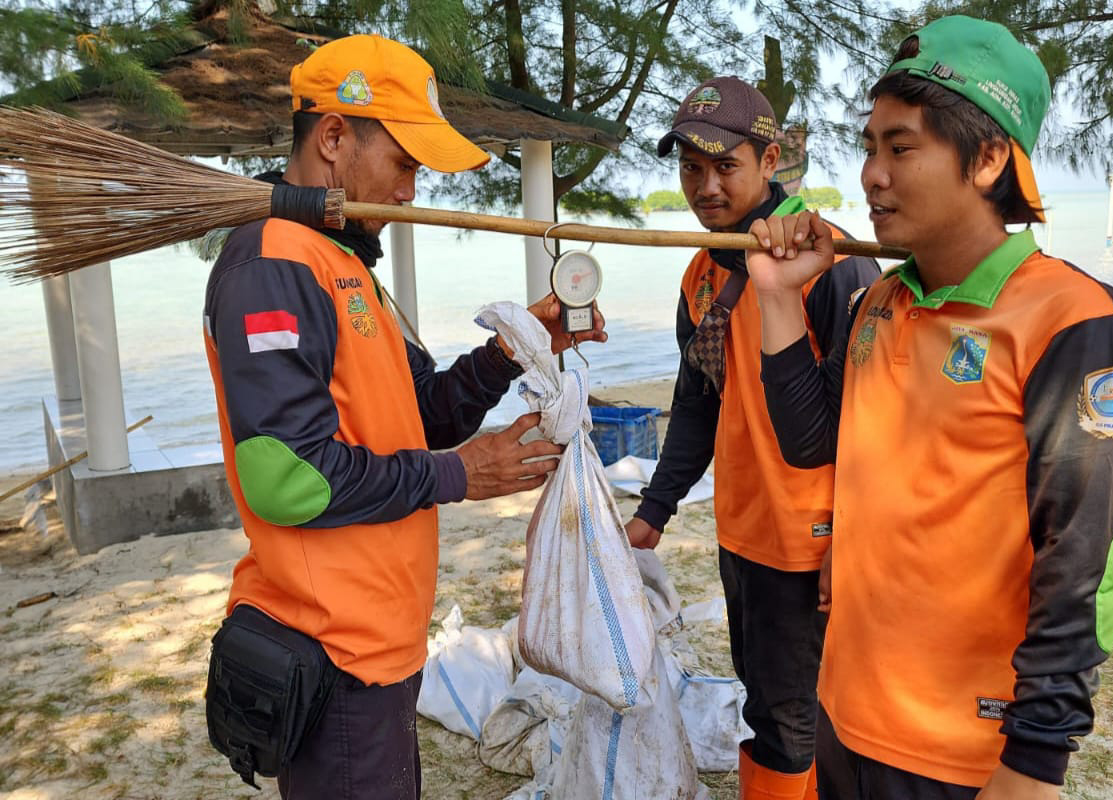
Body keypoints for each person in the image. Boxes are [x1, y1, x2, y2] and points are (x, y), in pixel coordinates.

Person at [746, 16, 1113, 799]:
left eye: (901, 148)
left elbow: (1088, 560)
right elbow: (811, 444)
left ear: (989, 158)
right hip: (847, 713)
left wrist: (1035, 760)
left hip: (963, 753)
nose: (871, 174)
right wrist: (778, 303)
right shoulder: (881, 301)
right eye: (869, 147)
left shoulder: (1073, 322)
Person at [201, 34, 605, 799]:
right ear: (332, 138)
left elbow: (420, 414)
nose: (412, 191)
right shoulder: (272, 267)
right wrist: (460, 475)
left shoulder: (345, 264)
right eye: (406, 162)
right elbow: (287, 479)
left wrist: (512, 350)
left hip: (379, 641)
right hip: (331, 647)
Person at [625, 76, 879, 798]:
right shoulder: (702, 273)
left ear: (771, 162)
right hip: (745, 532)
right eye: (690, 168)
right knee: (772, 698)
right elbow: (698, 401)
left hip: (818, 544)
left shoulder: (828, 263)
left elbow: (875, 421)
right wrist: (654, 511)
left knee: (796, 715)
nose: (705, 187)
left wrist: (853, 540)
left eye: (725, 166)